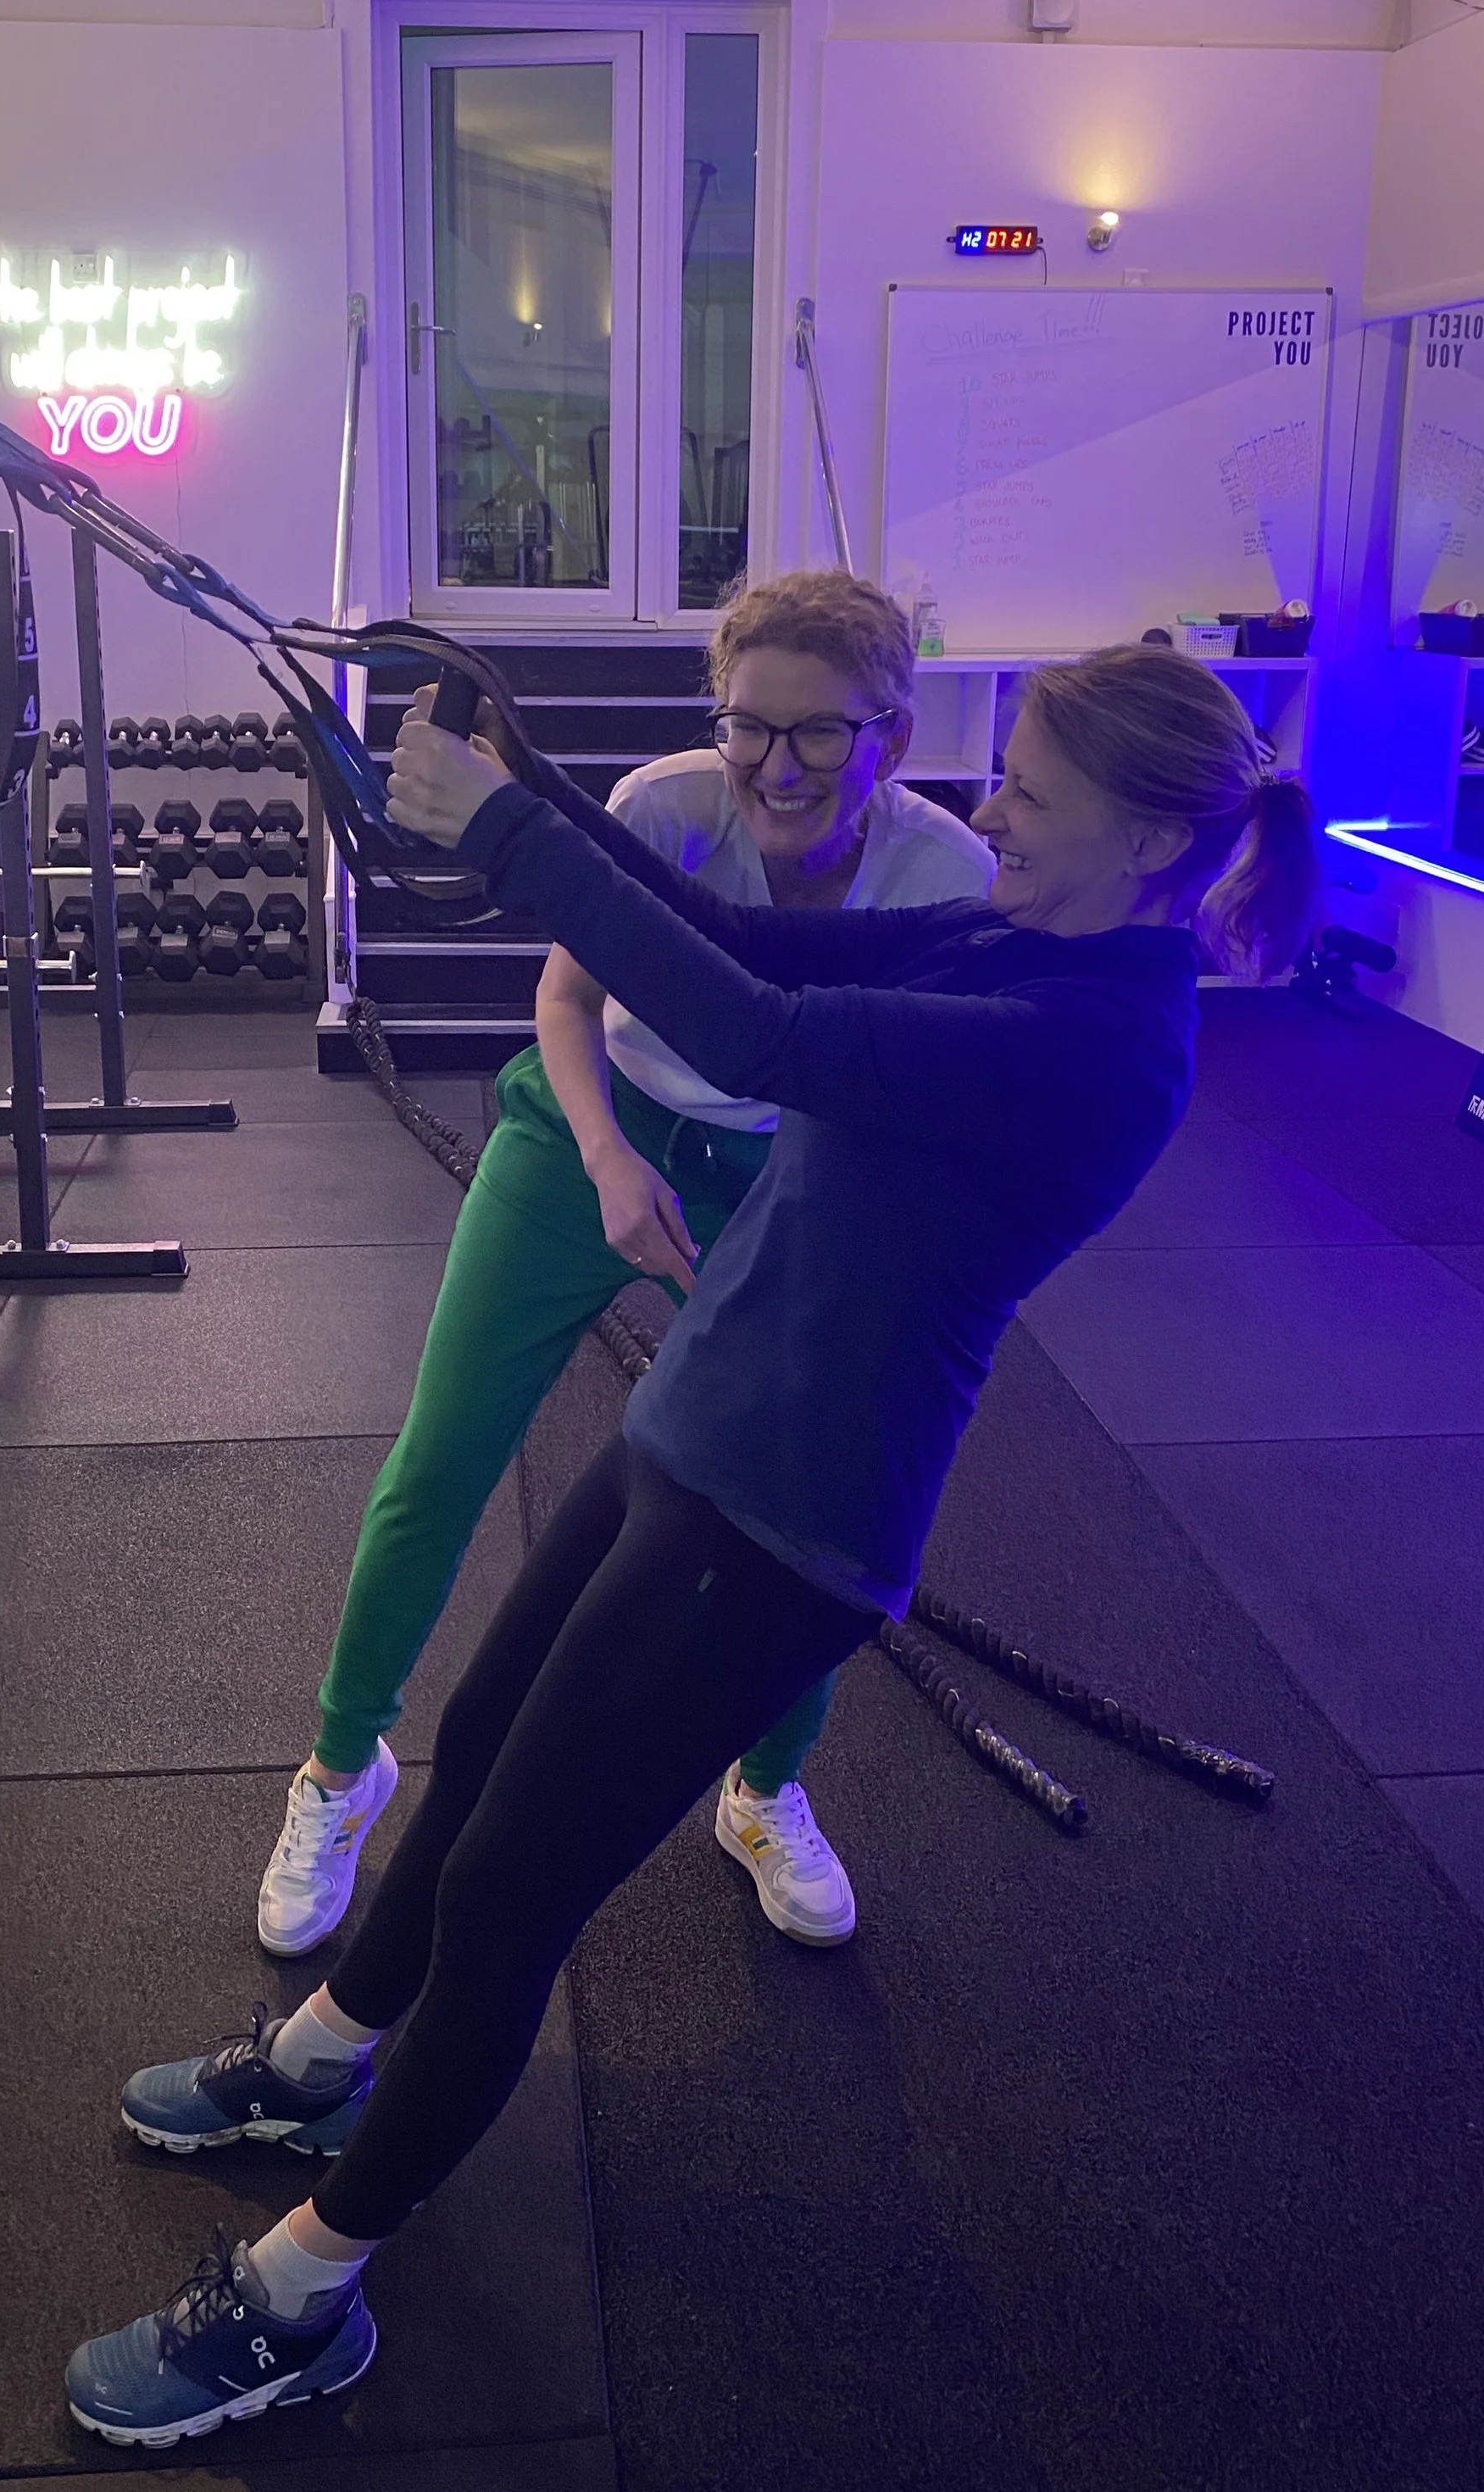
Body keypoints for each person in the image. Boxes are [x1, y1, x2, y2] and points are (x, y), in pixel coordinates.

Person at [65, 642, 1321, 2449]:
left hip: (790, 1522)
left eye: (1030, 790)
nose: (987, 807)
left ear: (1144, 840)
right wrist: (538, 790)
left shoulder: (1097, 1040)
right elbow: (748, 943)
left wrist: (502, 835)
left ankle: (303, 2288)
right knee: (478, 1755)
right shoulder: (1011, 936)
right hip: (686, 1435)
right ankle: (322, 2057)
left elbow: (761, 1038)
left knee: (512, 1888)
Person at [253, 572, 990, 1962]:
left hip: (792, 1165)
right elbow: (567, 996)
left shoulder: (946, 871)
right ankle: (341, 1770)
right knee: (442, 1457)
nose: (776, 768)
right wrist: (604, 1159)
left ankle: (765, 1791)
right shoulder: (665, 805)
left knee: (802, 1507)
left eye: (819, 735)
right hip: (588, 1124)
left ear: (888, 735)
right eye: (747, 728)